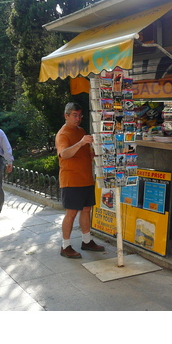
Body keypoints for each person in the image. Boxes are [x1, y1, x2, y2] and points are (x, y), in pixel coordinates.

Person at [56, 102, 105, 259]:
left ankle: (86, 240)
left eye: (80, 115)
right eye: (74, 115)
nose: (78, 119)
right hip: (71, 180)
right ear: (66, 116)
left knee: (86, 209)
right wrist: (81, 142)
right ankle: (65, 246)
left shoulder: (81, 131)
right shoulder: (63, 134)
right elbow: (64, 154)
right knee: (71, 212)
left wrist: (93, 154)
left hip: (86, 178)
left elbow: (84, 153)